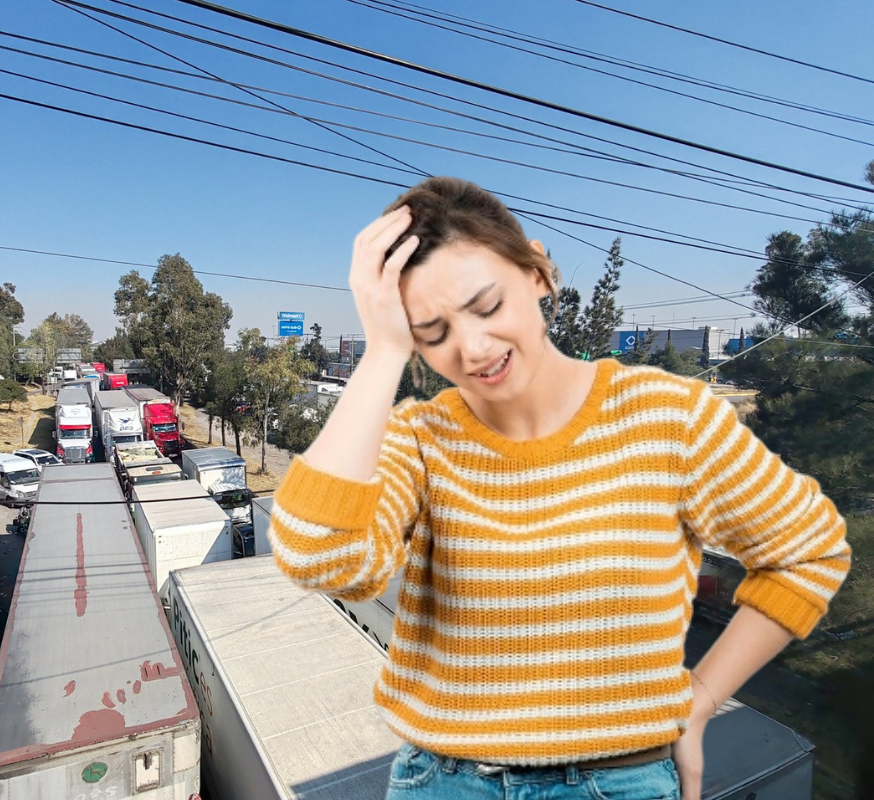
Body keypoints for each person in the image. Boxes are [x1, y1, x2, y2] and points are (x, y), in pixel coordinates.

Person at [268, 177, 850, 800]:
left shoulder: (668, 417)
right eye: (430, 332)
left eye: (486, 305)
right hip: (444, 781)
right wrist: (383, 350)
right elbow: (319, 556)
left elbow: (808, 550)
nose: (473, 348)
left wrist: (702, 697)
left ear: (539, 273)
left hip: (621, 781)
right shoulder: (419, 439)